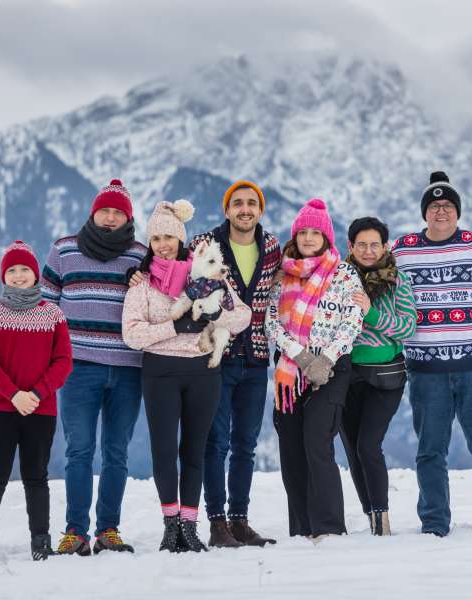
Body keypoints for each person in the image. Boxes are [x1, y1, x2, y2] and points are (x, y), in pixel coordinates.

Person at [123, 200, 251, 552]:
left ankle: (190, 526)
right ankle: (170, 525)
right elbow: (132, 334)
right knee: (164, 452)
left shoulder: (205, 275)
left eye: (169, 237)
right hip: (159, 373)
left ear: (181, 240)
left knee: (195, 451)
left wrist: (212, 319)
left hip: (202, 373)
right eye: (156, 238)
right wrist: (174, 325)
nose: (163, 244)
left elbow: (242, 317)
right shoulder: (142, 284)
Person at [391, 171, 472, 537]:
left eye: (447, 206)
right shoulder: (403, 250)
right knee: (430, 450)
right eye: (434, 206)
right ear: (424, 213)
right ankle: (434, 519)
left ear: (457, 212)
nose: (441, 211)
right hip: (426, 370)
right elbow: (383, 293)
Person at [41, 179, 147, 555]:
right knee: (79, 450)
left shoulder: (140, 256)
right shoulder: (64, 250)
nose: (110, 217)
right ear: (93, 212)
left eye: (119, 212)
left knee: (116, 451)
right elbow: (46, 309)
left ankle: (108, 530)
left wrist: (146, 280)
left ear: (127, 218)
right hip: (78, 367)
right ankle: (75, 531)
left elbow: (156, 302)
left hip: (127, 367)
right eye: (105, 210)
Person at [0, 241, 72, 561]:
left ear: (35, 275)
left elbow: (63, 362)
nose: (19, 275)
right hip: (0, 408)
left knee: (36, 476)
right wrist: (13, 394)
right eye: (12, 270)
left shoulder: (53, 315)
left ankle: (41, 541)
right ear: (3, 276)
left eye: (25, 270)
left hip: (41, 408)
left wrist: (34, 394)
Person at [264, 198, 364, 539]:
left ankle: (329, 527)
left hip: (332, 368)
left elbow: (353, 319)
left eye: (315, 232)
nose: (308, 238)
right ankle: (302, 527)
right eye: (302, 232)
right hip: (290, 371)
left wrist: (326, 358)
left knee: (317, 441)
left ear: (327, 237)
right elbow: (271, 322)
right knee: (291, 446)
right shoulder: (283, 272)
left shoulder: (344, 273)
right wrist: (302, 357)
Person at [193, 181, 281, 548]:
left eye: (252, 204)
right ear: (227, 209)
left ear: (260, 211)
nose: (245, 209)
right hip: (217, 356)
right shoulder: (204, 244)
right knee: (216, 442)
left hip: (256, 357)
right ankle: (217, 523)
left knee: (245, 444)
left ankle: (240, 520)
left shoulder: (273, 247)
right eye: (238, 204)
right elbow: (171, 271)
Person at [340, 216, 417, 536]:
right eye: (362, 245)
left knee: (368, 445)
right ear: (350, 247)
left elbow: (407, 327)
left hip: (385, 375)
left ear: (386, 246)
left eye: (375, 245)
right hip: (344, 374)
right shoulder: (338, 279)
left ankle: (382, 517)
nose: (368, 251)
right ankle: (369, 512)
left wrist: (370, 311)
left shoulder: (398, 280)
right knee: (352, 448)